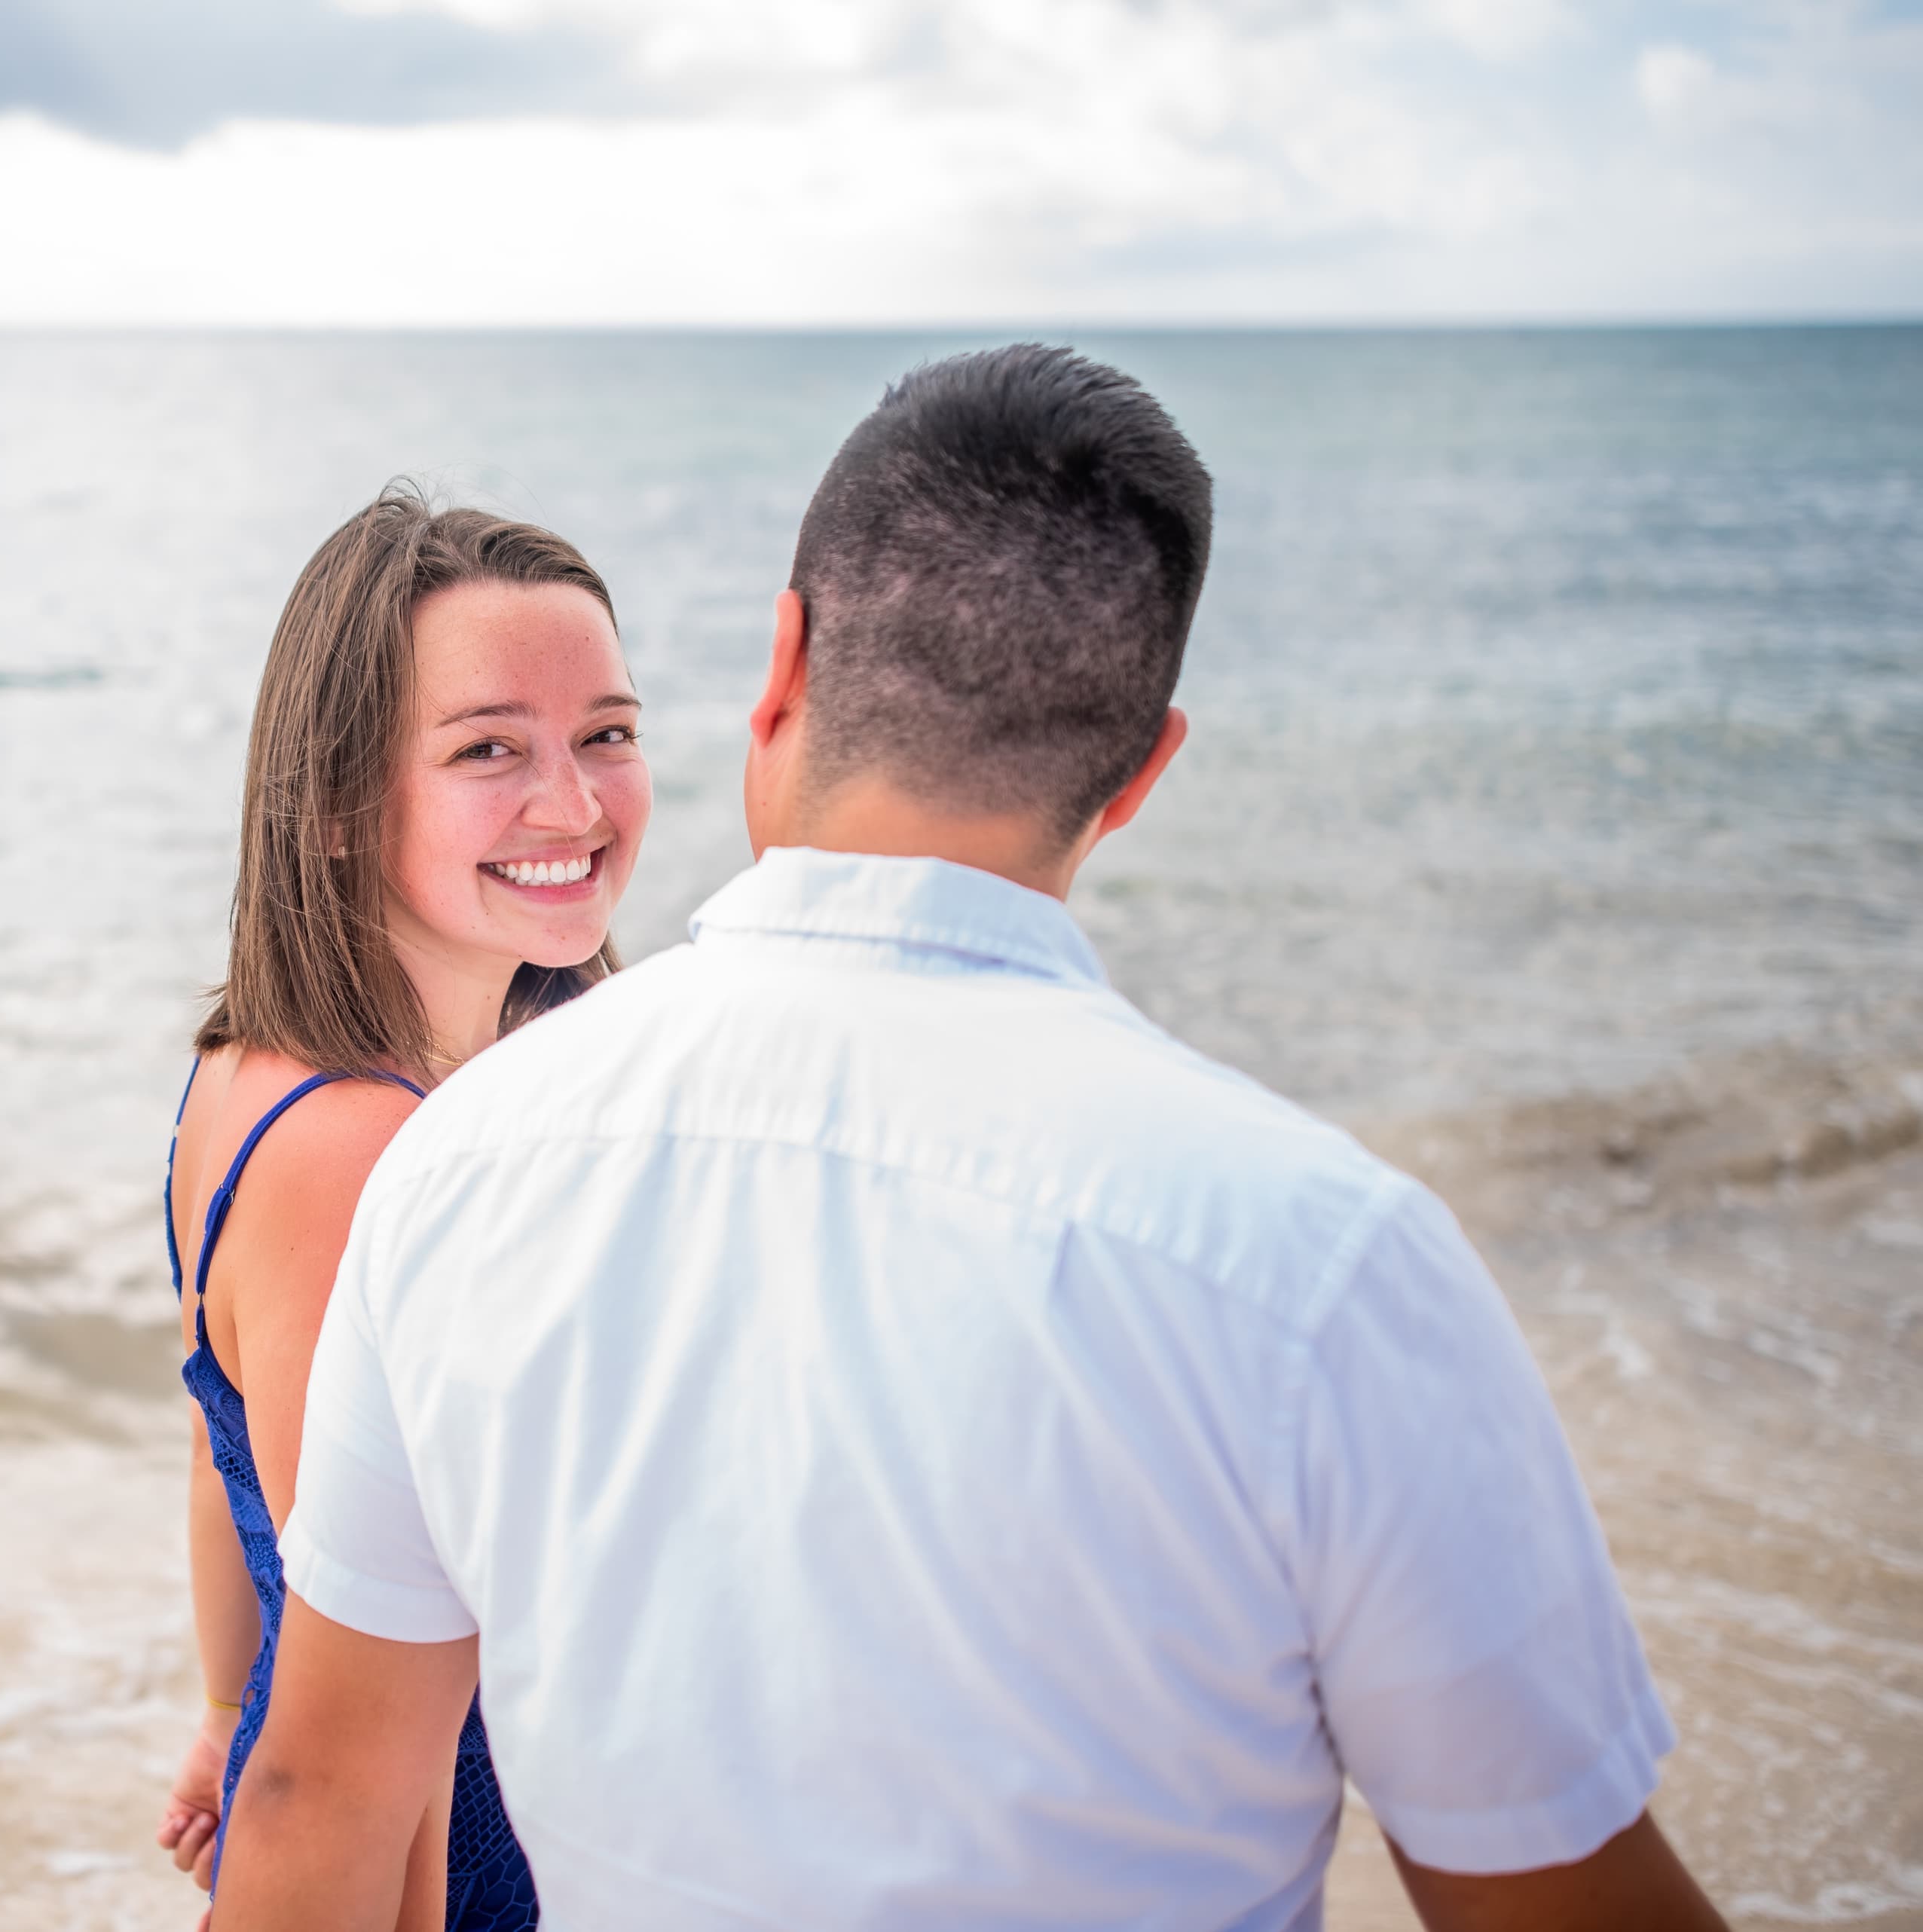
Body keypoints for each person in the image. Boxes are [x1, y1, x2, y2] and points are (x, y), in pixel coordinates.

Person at [208, 347, 1726, 1931]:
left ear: (783, 666)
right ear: (1141, 771)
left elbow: (321, 1797)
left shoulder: (461, 1166)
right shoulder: (1324, 1264)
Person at [154, 486, 652, 1931]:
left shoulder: (252, 1068)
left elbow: (218, 1451)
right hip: (450, 1856)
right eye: (488, 751)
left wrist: (221, 1718)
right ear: (326, 805)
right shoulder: (361, 1150)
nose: (574, 805)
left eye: (606, 734)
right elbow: (374, 1734)